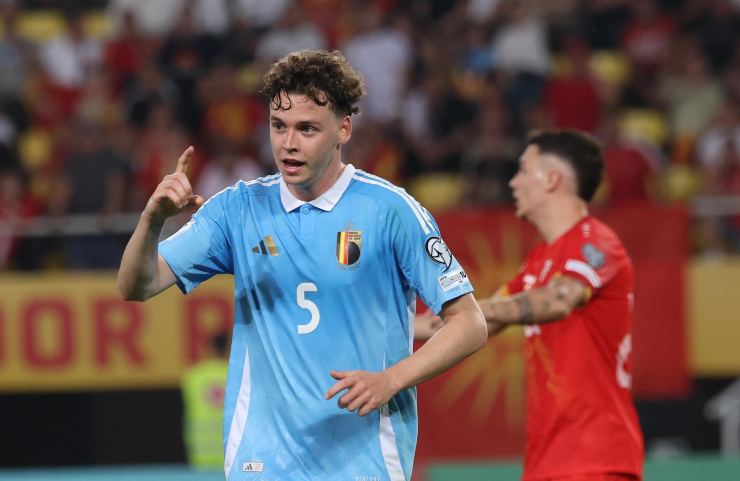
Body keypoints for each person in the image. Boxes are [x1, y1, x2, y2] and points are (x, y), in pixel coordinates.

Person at [117, 49, 487, 481]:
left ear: (343, 129)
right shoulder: (238, 208)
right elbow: (137, 286)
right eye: (279, 126)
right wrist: (152, 220)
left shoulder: (390, 211)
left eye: (307, 128)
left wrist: (391, 379)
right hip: (263, 459)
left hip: (362, 456)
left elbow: (469, 323)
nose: (288, 143)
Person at [418, 130, 644, 481]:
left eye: (523, 170)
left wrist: (472, 310)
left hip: (596, 460)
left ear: (552, 179)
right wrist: (369, 324)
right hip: (548, 463)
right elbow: (468, 323)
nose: (513, 182)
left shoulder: (597, 241)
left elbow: (557, 300)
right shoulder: (539, 261)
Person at [181, 332, 230, 470]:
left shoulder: (192, 376)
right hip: (231, 450)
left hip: (201, 451)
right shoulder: (237, 374)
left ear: (210, 349)